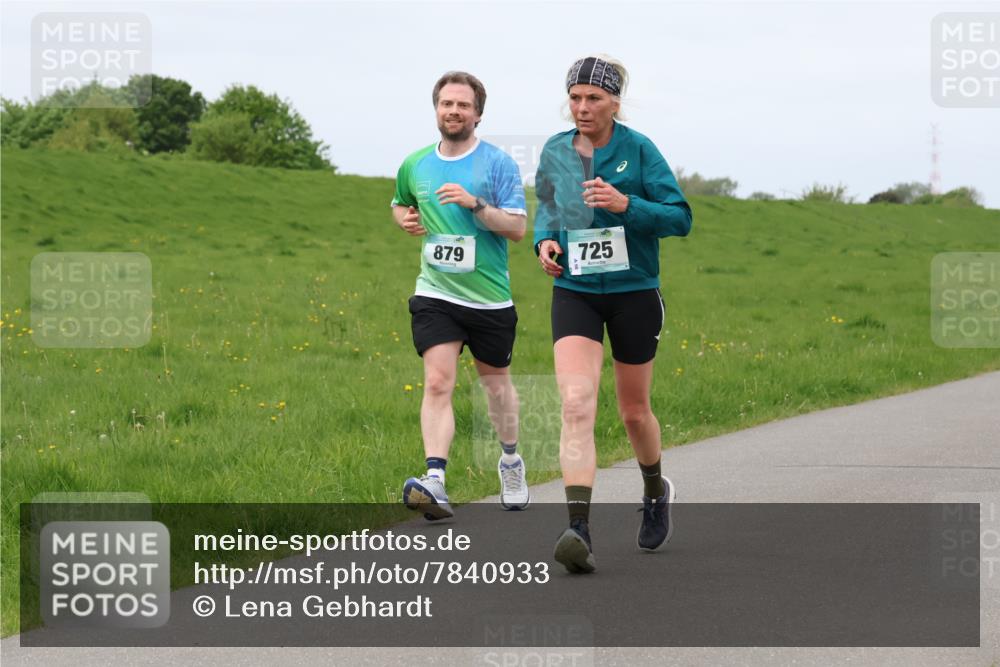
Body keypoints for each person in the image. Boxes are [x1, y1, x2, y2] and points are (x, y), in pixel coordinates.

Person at [533, 56, 693, 573]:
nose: (582, 107)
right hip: (576, 291)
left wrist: (628, 206)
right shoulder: (557, 150)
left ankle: (653, 491)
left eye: (593, 98)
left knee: (633, 411)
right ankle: (577, 529)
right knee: (577, 403)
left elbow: (680, 218)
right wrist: (545, 244)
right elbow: (549, 211)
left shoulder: (640, 149)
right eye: (575, 97)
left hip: (634, 292)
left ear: (615, 102)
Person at [392, 71, 529, 520]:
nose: (454, 111)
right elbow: (400, 202)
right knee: (437, 381)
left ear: (478, 113)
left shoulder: (498, 165)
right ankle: (436, 481)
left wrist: (475, 205)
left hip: (489, 298)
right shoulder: (415, 163)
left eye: (463, 105)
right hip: (436, 292)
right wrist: (405, 220)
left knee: (496, 389)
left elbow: (517, 229)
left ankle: (510, 459)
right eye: (446, 103)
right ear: (436, 109)